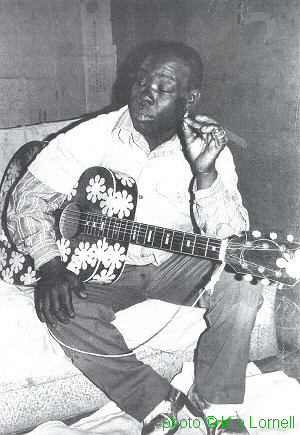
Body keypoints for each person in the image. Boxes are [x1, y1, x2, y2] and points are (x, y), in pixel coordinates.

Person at [7, 41, 262, 435]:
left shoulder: (210, 146)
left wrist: (206, 174)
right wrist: (51, 265)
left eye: (163, 88)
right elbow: (26, 200)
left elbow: (232, 240)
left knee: (242, 284)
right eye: (140, 81)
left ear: (189, 98)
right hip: (102, 267)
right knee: (62, 308)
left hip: (175, 265)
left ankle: (212, 404)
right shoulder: (92, 136)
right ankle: (157, 403)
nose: (145, 93)